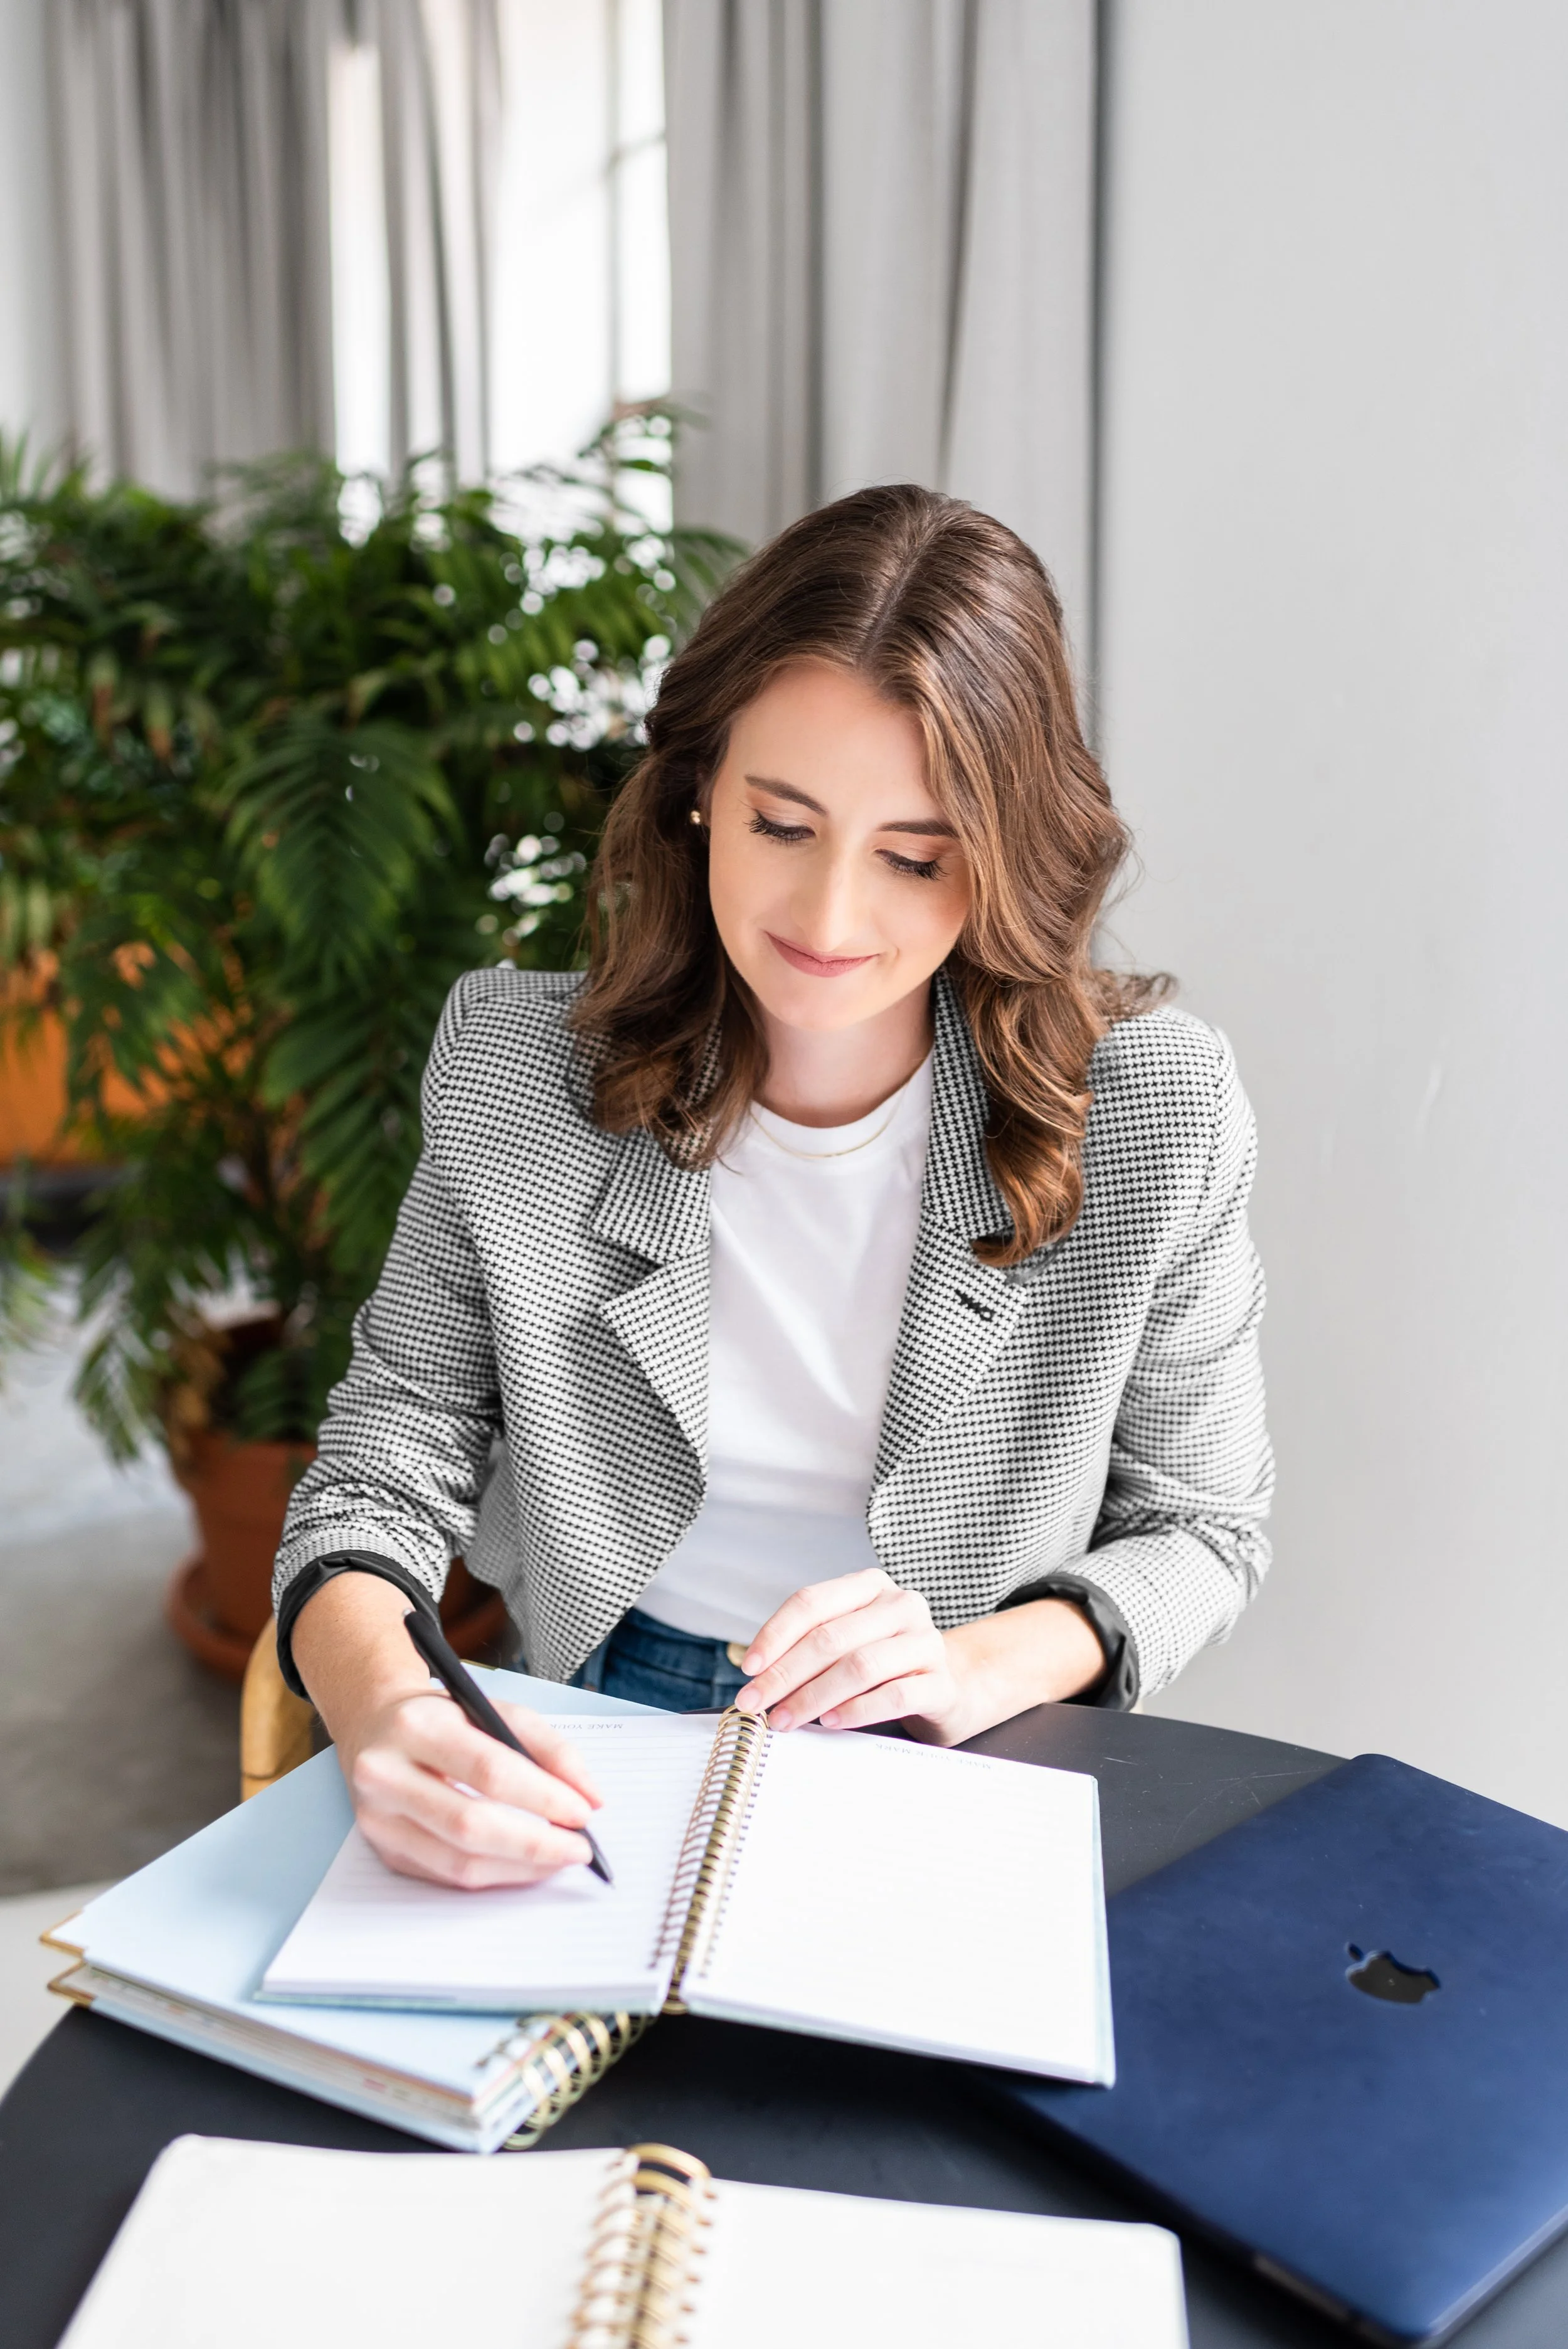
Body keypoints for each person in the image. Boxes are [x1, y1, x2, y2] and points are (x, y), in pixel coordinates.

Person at [274, 485, 1273, 1890]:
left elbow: (1202, 1528)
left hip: (963, 1727)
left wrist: (969, 1660)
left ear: (1002, 854)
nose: (825, 921)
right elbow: (384, 1465)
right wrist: (388, 1708)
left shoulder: (1153, 1116)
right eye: (782, 825)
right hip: (588, 1706)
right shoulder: (512, 1071)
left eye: (914, 859)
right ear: (697, 790)